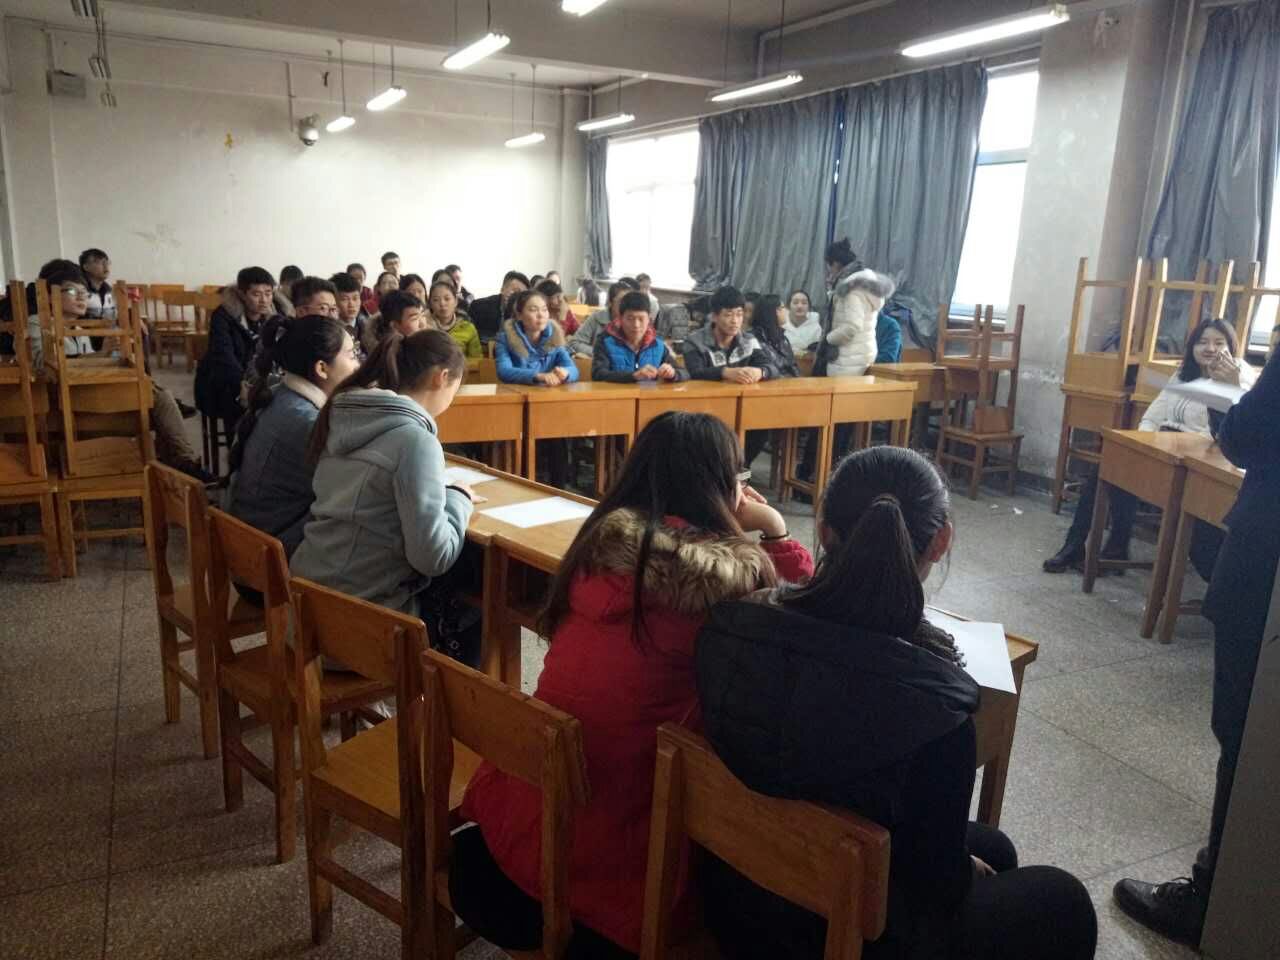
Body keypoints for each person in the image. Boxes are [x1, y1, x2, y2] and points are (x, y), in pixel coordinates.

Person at [697, 445, 1098, 960]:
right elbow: (937, 892)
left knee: (994, 847)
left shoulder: (731, 627)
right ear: (941, 541)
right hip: (842, 935)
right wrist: (957, 868)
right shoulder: (939, 711)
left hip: (736, 900)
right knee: (1063, 900)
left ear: (823, 530)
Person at [453, 412, 815, 959]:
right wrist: (777, 531)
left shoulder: (593, 555)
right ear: (726, 486)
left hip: (507, 837)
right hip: (608, 893)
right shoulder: (727, 593)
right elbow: (803, 621)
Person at [1114, 340, 1280, 949]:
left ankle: (1214, 898)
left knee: (1246, 733)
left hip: (1267, 560)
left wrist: (1241, 393)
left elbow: (1246, 435)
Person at [291, 329, 478, 662]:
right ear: (442, 377)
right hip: (359, 629)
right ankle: (445, 697)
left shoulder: (344, 415)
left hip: (308, 611)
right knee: (477, 596)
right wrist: (458, 498)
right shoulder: (414, 440)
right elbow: (433, 557)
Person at [1044, 319, 1257, 575]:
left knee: (1128, 475)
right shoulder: (1183, 373)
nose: (1210, 348)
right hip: (1160, 446)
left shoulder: (1239, 379)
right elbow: (1153, 416)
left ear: (1231, 348)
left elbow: (1216, 434)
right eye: (1202, 342)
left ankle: (1116, 549)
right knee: (1109, 467)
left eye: (1219, 343)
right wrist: (1142, 446)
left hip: (1194, 459)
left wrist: (1166, 447)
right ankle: (1075, 545)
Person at [43, 263, 211, 482]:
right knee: (159, 403)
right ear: (50, 296)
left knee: (154, 394)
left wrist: (108, 355)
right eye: (73, 291)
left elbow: (89, 365)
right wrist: (101, 355)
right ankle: (179, 462)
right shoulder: (42, 326)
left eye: (85, 293)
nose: (82, 297)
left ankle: (175, 462)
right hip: (71, 403)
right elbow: (50, 368)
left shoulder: (78, 328)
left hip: (87, 393)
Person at [227, 315, 358, 571]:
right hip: (270, 566)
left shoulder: (279, 394)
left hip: (251, 548)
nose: (358, 365)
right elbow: (355, 485)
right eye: (352, 355)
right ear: (322, 368)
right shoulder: (306, 421)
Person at [496, 289, 578, 487]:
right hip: (516, 405)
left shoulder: (554, 336)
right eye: (533, 310)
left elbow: (574, 369)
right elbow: (504, 371)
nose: (540, 315)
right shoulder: (506, 338)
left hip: (547, 406)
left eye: (544, 309)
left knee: (557, 434)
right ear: (519, 314)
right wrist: (537, 376)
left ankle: (559, 488)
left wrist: (565, 373)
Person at [196, 266, 278, 431]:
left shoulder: (274, 317)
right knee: (236, 399)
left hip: (257, 378)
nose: (264, 300)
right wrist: (242, 384)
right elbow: (223, 356)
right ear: (241, 294)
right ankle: (237, 442)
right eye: (256, 294)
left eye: (268, 293)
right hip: (224, 379)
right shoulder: (223, 316)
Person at [680, 285, 778, 386]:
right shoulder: (694, 342)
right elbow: (694, 373)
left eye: (739, 314)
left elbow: (772, 368)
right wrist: (724, 372)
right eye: (728, 315)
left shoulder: (749, 340)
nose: (735, 321)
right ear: (714, 317)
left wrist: (760, 372)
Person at [825, 243, 896, 377]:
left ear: (835, 264)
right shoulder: (866, 284)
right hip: (862, 354)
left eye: (829, 267)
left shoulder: (851, 289)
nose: (830, 272)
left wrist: (829, 339)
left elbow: (852, 326)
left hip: (848, 360)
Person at [591, 290, 685, 383]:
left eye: (641, 319)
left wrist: (673, 374)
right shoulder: (605, 341)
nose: (636, 325)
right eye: (630, 318)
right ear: (620, 318)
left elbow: (684, 372)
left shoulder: (657, 344)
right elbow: (598, 374)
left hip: (648, 393)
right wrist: (633, 376)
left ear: (649, 320)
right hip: (615, 393)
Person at [568, 279, 636, 357]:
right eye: (622, 301)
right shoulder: (597, 318)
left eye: (629, 301)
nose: (626, 305)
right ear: (610, 302)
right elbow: (574, 343)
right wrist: (601, 353)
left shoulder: (635, 321)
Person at [470, 270, 530, 342]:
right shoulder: (480, 307)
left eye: (522, 295)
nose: (518, 297)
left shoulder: (523, 315)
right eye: (516, 292)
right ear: (502, 289)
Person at [428, 279, 481, 358]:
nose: (442, 303)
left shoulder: (468, 328)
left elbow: (476, 358)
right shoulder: (424, 327)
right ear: (430, 304)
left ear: (455, 301)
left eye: (447, 299)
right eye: (436, 300)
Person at [365, 289, 428, 353]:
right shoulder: (384, 355)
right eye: (415, 319)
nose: (422, 324)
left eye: (423, 315)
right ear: (394, 326)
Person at [784, 289, 823, 355]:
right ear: (788, 306)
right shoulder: (782, 324)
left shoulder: (816, 328)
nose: (800, 306)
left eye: (804, 303)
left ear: (809, 307)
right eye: (795, 303)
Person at [328, 271, 367, 337]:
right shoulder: (325, 329)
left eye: (355, 298)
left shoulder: (370, 327)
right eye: (344, 299)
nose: (351, 304)